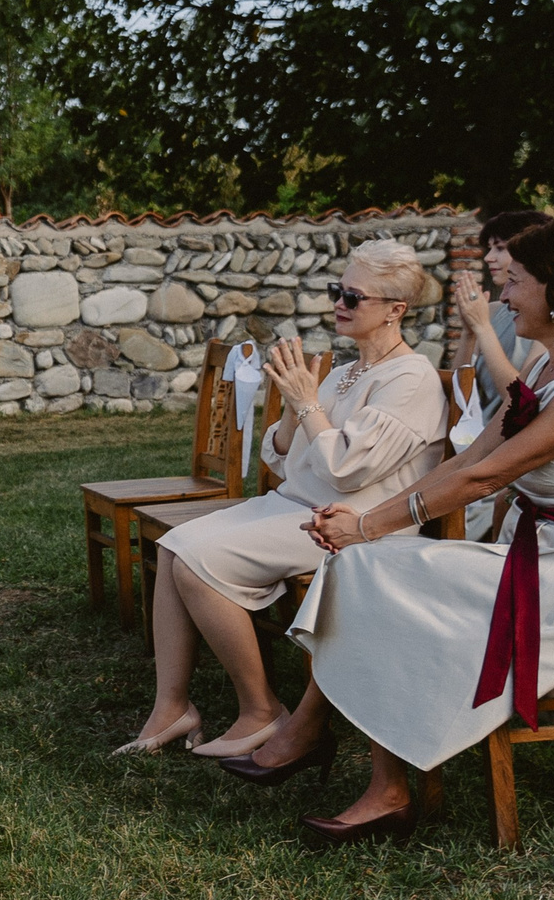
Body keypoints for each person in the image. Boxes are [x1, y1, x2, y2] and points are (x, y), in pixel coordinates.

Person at [267, 217, 554, 845]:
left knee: (368, 564)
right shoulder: (551, 366)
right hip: (532, 556)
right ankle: (362, 767)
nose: (503, 297)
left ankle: (337, 749)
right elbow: (465, 462)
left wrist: (366, 523)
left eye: (516, 282)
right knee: (368, 565)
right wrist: (370, 526)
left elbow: (486, 478)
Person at [115, 239, 446, 757]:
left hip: (355, 523)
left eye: (354, 297)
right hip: (295, 506)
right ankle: (172, 705)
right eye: (338, 290)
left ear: (395, 311)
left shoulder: (412, 378)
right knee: (175, 544)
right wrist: (298, 402)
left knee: (200, 560)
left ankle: (262, 710)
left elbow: (344, 470)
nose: (339, 302)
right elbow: (283, 453)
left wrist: (307, 401)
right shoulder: (346, 370)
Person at [452, 209, 550, 539]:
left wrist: (482, 328)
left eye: (501, 248)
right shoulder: (493, 311)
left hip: (512, 460)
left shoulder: (551, 320)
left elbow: (519, 399)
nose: (490, 258)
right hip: (473, 445)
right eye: (489, 248)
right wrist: (469, 333)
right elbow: (458, 390)